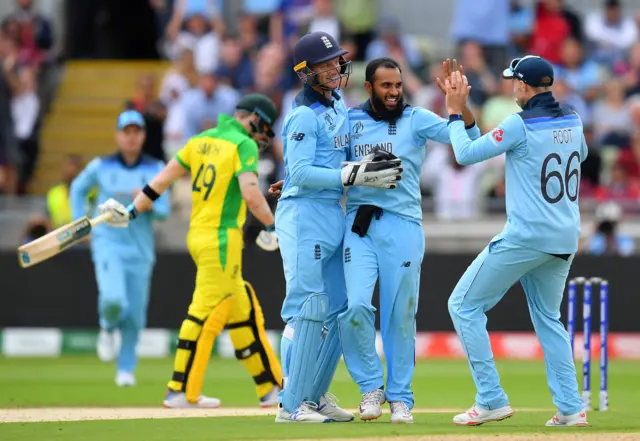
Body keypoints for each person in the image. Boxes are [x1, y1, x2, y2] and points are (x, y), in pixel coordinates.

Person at [97, 94, 284, 409]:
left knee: (243, 312)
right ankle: (180, 389)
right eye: (263, 127)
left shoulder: (200, 139)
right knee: (205, 312)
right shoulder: (243, 145)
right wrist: (271, 226)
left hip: (198, 235)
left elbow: (160, 181)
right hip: (222, 240)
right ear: (252, 118)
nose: (263, 136)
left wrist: (130, 212)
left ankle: (271, 388)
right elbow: (251, 194)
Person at [444, 56, 589, 427]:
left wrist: (453, 113)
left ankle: (491, 398)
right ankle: (571, 409)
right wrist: (469, 115)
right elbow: (581, 156)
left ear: (524, 86)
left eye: (514, 82)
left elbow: (464, 154)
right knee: (548, 319)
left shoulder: (518, 124)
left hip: (527, 235)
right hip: (564, 236)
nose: (511, 87)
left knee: (462, 306)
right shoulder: (573, 119)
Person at [339, 58, 480, 424]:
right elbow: (325, 165)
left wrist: (458, 105)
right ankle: (371, 388)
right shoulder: (351, 122)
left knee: (399, 316)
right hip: (360, 225)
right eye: (385, 86)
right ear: (369, 87)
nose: (394, 92)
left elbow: (468, 139)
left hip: (403, 226)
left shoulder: (416, 119)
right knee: (354, 307)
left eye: (398, 85)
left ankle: (400, 397)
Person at [275, 31, 403, 423]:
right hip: (305, 215)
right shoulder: (301, 114)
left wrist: (368, 164)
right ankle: (290, 404)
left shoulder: (337, 106)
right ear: (306, 72)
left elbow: (327, 163)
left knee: (337, 307)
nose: (334, 68)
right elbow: (300, 171)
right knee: (306, 309)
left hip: (332, 212)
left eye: (336, 62)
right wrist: (355, 174)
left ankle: (314, 394)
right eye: (325, 64)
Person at [69, 110, 171, 387]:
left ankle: (126, 369)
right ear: (118, 135)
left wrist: (146, 201)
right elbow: (77, 189)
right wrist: (81, 223)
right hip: (107, 243)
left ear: (143, 136)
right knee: (114, 299)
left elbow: (163, 211)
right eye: (126, 132)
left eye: (136, 132)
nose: (131, 137)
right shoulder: (101, 166)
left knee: (135, 313)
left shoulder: (155, 169)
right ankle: (107, 325)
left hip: (140, 249)